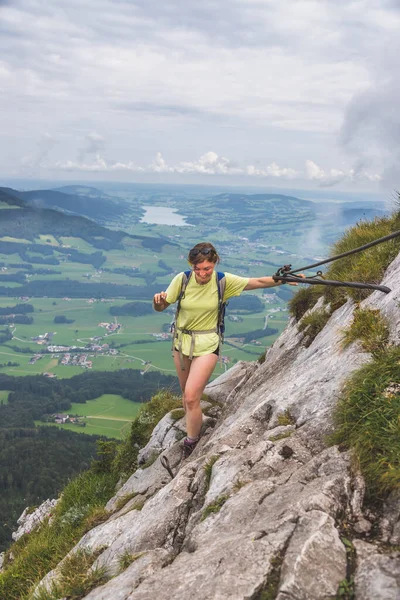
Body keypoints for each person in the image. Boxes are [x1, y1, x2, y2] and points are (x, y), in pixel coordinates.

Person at [153, 242, 301, 459]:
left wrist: (283, 279)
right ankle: (196, 424)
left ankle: (191, 442)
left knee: (192, 397)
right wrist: (158, 301)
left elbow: (257, 282)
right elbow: (162, 305)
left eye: (207, 269)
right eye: (198, 269)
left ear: (214, 264)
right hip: (181, 344)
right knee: (186, 398)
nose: (203, 274)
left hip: (208, 344)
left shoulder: (223, 282)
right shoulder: (182, 280)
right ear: (191, 266)